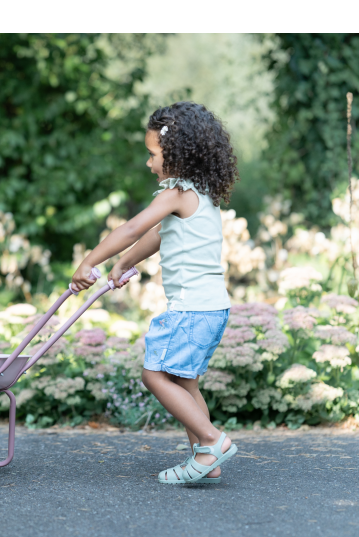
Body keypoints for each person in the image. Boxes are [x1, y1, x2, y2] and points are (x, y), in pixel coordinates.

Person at [71, 101, 238, 484]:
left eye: (153, 155)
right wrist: (124, 263)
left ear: (178, 154)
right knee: (185, 383)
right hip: (212, 307)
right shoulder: (201, 194)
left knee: (155, 375)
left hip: (191, 310)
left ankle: (213, 441)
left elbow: (132, 228)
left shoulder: (176, 193)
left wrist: (90, 261)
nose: (149, 164)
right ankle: (206, 459)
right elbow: (157, 236)